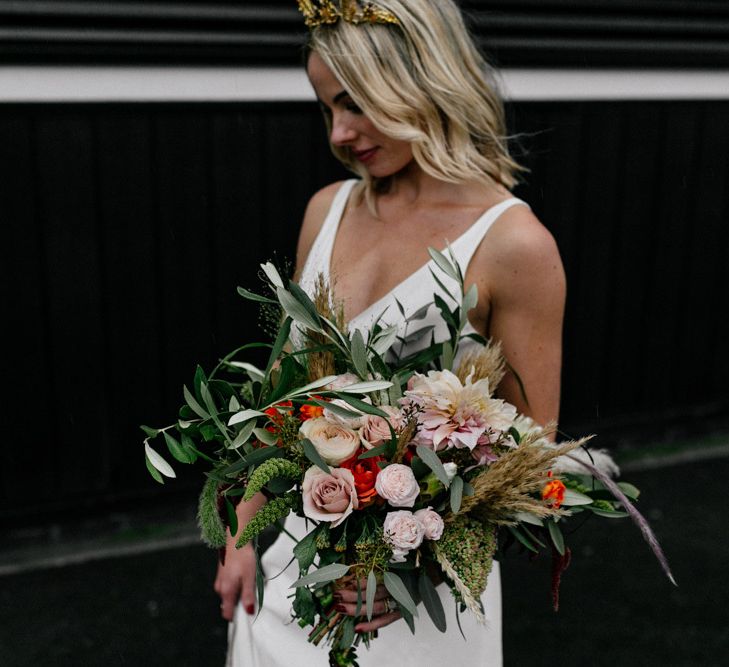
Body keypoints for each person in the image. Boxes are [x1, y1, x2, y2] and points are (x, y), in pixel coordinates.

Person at [215, 1, 566, 664]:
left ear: (425, 81)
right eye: (326, 109)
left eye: (356, 103)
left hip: (411, 603)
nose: (340, 133)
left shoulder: (515, 244)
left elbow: (530, 452)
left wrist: (416, 566)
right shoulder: (327, 208)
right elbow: (281, 390)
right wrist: (241, 529)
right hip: (292, 558)